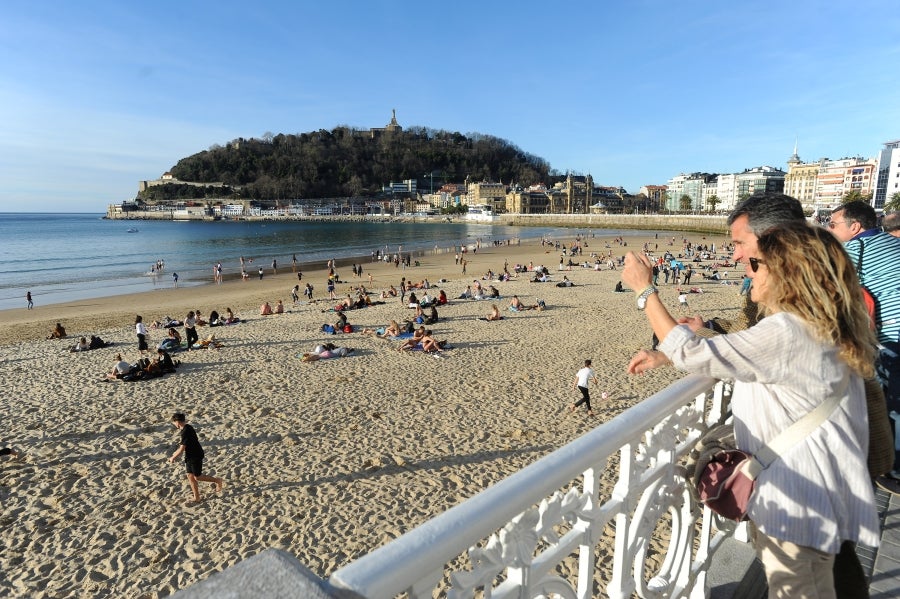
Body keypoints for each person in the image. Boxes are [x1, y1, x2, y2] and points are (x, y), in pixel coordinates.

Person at [622, 223, 879, 596]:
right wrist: (667, 354)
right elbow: (748, 356)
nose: (747, 270)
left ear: (787, 275)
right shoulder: (823, 326)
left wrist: (645, 290)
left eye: (757, 264)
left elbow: (695, 353)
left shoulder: (790, 331)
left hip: (799, 510)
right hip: (819, 495)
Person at [829, 201, 900, 491]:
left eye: (833, 225)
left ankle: (892, 469)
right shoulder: (890, 241)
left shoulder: (853, 250)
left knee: (891, 404)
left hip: (891, 336)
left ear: (855, 227)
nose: (828, 229)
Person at [168, 413, 224, 505]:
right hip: (190, 455)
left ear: (177, 422)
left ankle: (218, 480)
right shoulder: (187, 427)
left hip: (195, 455)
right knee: (190, 476)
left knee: (197, 477)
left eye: (174, 423)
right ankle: (197, 497)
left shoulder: (186, 431)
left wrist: (173, 457)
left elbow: (182, 448)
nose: (174, 425)